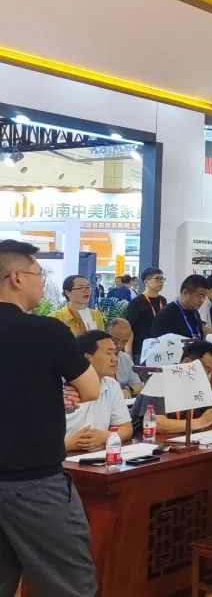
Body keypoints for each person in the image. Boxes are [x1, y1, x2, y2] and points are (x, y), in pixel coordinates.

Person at [0, 239, 100, 596]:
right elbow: (91, 389)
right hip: (33, 482)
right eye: (39, 275)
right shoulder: (47, 331)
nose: (43, 283)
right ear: (16, 278)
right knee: (68, 585)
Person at [130, 340, 212, 433]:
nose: (207, 374)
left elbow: (210, 413)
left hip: (182, 438)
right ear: (186, 361)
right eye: (205, 368)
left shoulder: (202, 382)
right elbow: (155, 423)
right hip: (145, 441)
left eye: (210, 370)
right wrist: (200, 422)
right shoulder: (160, 378)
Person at [65, 331, 133, 452]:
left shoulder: (111, 385)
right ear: (87, 358)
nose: (115, 359)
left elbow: (126, 428)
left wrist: (105, 436)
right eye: (108, 353)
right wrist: (69, 444)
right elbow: (35, 441)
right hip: (61, 458)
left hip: (97, 457)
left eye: (115, 353)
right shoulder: (58, 388)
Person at [151, 274, 208, 340]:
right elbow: (159, 344)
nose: (202, 300)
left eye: (204, 297)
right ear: (185, 293)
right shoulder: (165, 316)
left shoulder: (195, 313)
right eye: (200, 296)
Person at [125, 266, 167, 357]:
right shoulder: (136, 302)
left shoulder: (163, 301)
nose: (161, 281)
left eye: (162, 279)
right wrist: (128, 354)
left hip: (159, 350)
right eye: (157, 278)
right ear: (146, 282)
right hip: (141, 351)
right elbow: (129, 329)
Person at [107, 317, 142, 397]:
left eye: (124, 342)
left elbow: (139, 385)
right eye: (115, 339)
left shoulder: (125, 358)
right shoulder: (96, 358)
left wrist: (129, 390)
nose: (119, 345)